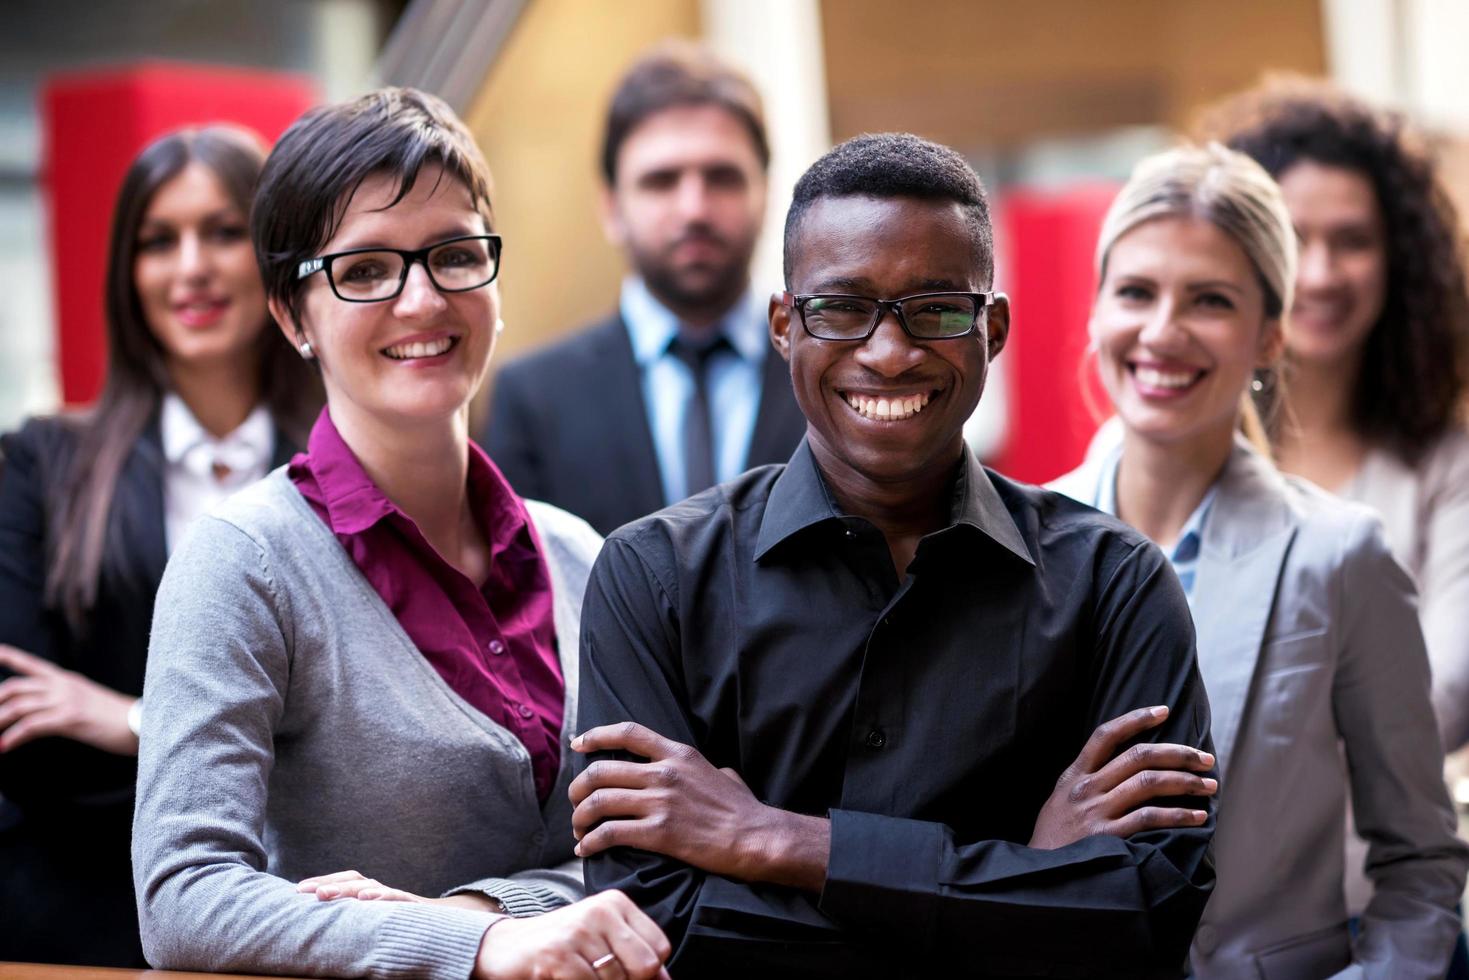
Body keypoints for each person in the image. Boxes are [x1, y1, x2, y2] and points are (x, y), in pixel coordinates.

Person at [566, 133, 1220, 978]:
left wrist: (777, 841)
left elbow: (1149, 918)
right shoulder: (651, 580)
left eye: (937, 308)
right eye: (841, 308)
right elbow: (655, 938)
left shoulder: (1115, 585)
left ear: (993, 329)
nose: (889, 352)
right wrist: (1025, 869)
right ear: (782, 325)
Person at [132, 88, 670, 980]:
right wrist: (481, 944)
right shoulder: (244, 563)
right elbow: (184, 897)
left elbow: (652, 862)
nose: (422, 299)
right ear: (291, 315)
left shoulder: (582, 555)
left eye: (456, 256)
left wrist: (475, 912)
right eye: (367, 269)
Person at [1050, 143, 1468, 978]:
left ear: (1269, 336)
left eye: (1209, 300)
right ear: (1095, 311)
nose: (1162, 331)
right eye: (1136, 292)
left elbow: (1419, 863)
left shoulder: (1336, 555)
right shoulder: (1015, 544)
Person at [0, 125, 321, 967]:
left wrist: (134, 719)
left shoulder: (342, 466)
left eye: (221, 232)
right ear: (126, 273)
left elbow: (367, 745)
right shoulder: (42, 465)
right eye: (158, 240)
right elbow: (24, 734)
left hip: (311, 912)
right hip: (80, 918)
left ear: (273, 257)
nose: (191, 267)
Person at [1204, 81, 1469, 755]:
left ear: (1399, 263)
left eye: (1351, 240)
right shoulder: (1180, 444)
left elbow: (1441, 697)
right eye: (1292, 238)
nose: (1319, 274)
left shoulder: (1445, 467)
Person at [483, 40, 805, 536]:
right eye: (661, 180)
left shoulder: (834, 374)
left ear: (764, 193)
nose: (694, 208)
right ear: (611, 207)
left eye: (722, 177)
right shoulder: (533, 400)